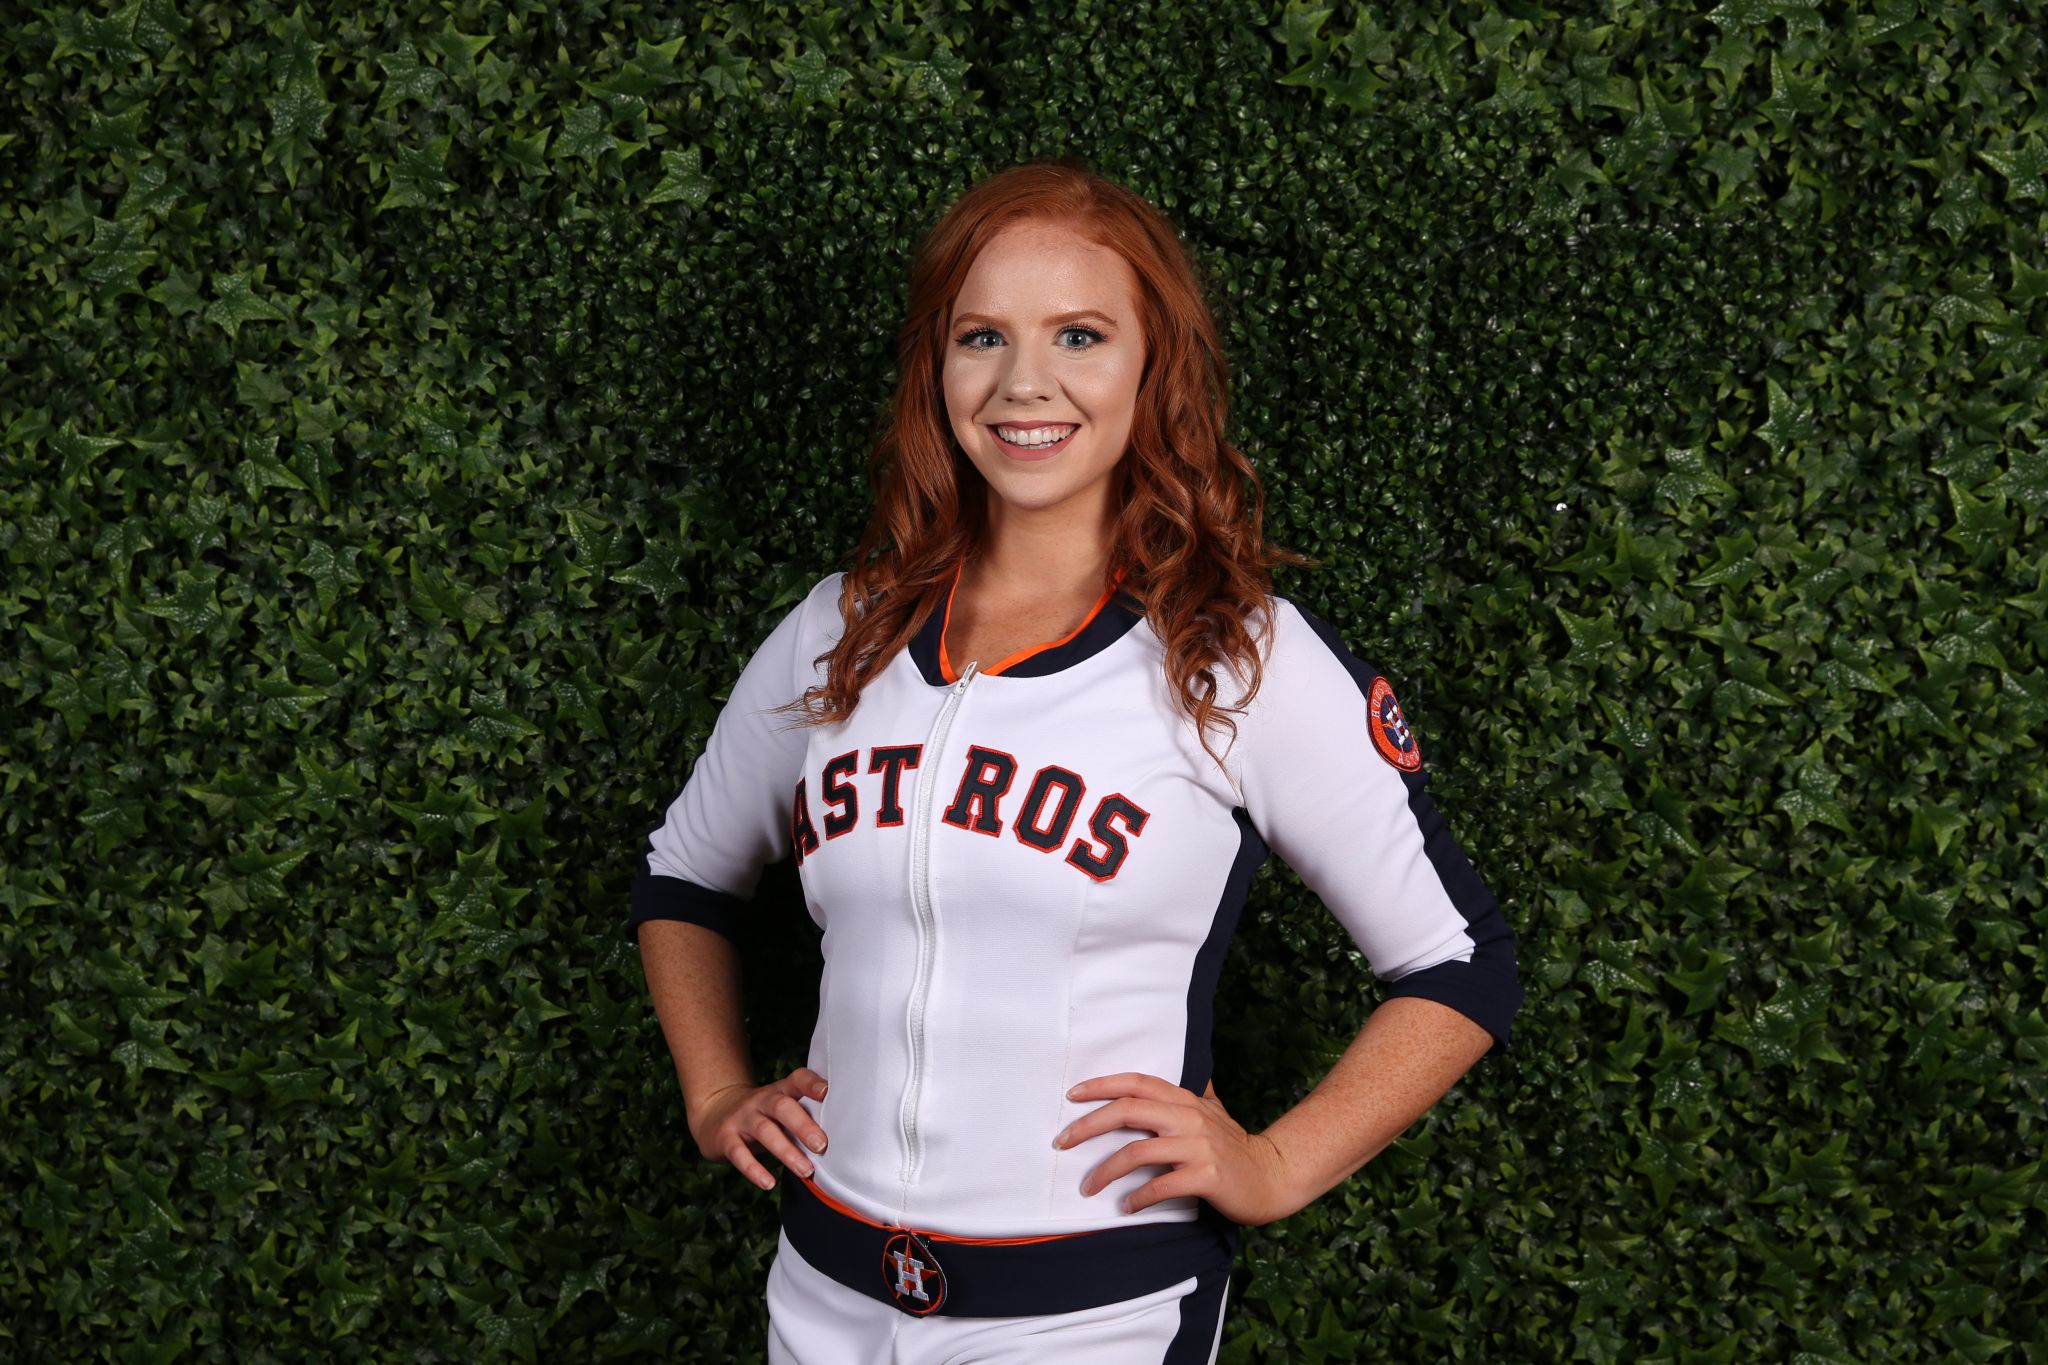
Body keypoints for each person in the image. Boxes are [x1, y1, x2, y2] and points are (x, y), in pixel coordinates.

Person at [623, 157, 1526, 1364]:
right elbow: (683, 878)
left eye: (1081, 335)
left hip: (1090, 1320)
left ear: (1155, 369)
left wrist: (1271, 1166)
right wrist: (715, 1094)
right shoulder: (840, 626)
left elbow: (1457, 963)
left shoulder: (1230, 653)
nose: (1023, 384)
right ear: (933, 369)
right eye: (980, 337)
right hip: (822, 1296)